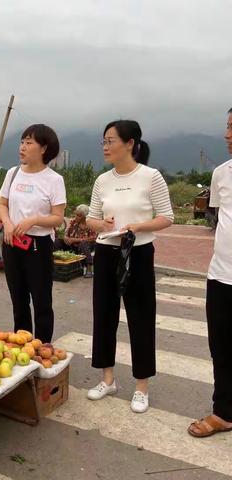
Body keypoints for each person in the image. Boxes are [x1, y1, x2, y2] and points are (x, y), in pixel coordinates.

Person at [86, 120, 173, 413]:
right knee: (104, 314)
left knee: (141, 316)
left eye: (110, 141)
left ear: (130, 144)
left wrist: (137, 226)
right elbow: (91, 219)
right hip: (107, 250)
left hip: (137, 252)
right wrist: (103, 224)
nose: (106, 147)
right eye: (104, 141)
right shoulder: (102, 180)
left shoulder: (150, 177)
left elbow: (167, 217)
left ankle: (141, 386)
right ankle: (107, 379)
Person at [0, 124, 66, 343]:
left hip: (39, 246)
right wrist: (8, 223)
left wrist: (34, 220)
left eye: (29, 142)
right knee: (18, 300)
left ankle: (43, 348)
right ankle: (23, 346)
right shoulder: (13, 173)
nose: (23, 147)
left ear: (44, 148)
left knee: (41, 302)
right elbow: (2, 204)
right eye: (22, 141)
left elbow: (58, 218)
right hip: (12, 243)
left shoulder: (54, 180)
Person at [188, 109, 232, 437]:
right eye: (228, 126)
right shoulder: (221, 173)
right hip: (220, 275)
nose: (228, 134)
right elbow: (218, 217)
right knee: (221, 348)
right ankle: (224, 412)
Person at [54, 204, 97, 277]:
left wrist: (76, 240)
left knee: (83, 243)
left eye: (78, 215)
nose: (76, 217)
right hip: (72, 245)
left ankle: (89, 268)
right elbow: (66, 234)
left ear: (84, 216)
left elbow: (94, 237)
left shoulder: (91, 223)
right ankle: (56, 264)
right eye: (76, 215)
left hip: (86, 247)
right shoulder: (73, 222)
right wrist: (65, 238)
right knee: (57, 241)